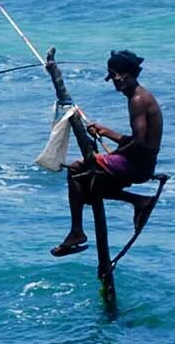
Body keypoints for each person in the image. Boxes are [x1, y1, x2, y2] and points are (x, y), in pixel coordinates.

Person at [52, 50, 165, 257]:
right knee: (88, 188)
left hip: (137, 165)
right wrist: (107, 132)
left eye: (116, 76)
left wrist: (106, 157)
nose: (115, 81)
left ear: (127, 75)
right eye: (112, 77)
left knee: (77, 171)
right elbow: (141, 140)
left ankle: (77, 231)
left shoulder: (138, 100)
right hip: (142, 162)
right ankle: (139, 201)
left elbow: (139, 142)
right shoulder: (140, 96)